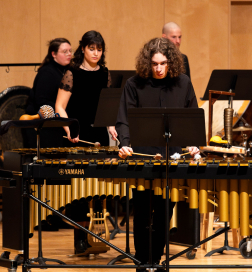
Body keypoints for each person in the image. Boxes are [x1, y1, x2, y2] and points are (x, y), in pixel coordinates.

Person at [116, 37, 199, 270]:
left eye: (163, 63)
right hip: (141, 158)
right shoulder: (134, 84)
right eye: (154, 64)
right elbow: (124, 120)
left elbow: (192, 117)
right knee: (142, 212)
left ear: (171, 62)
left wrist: (193, 144)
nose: (159, 69)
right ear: (148, 63)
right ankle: (142, 262)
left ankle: (156, 260)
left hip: (171, 158)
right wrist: (125, 143)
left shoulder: (183, 83)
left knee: (164, 212)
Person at [55, 30, 117, 253]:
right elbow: (59, 106)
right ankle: (80, 238)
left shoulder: (105, 73)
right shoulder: (72, 73)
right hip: (78, 136)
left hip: (100, 136)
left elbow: (107, 107)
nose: (96, 53)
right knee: (81, 192)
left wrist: (111, 126)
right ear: (83, 49)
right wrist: (70, 127)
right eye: (92, 48)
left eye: (99, 49)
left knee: (98, 190)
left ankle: (98, 236)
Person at [24, 38, 72, 148]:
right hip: (43, 127)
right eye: (65, 51)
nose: (69, 54)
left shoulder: (66, 71)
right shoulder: (47, 73)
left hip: (56, 123)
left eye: (70, 51)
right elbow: (41, 101)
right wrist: (61, 110)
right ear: (53, 54)